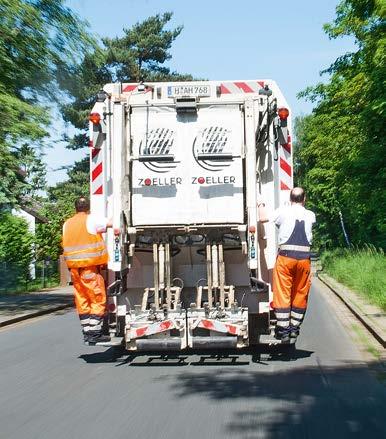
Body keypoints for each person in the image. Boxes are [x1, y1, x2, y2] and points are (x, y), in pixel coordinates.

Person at [258, 187, 316, 342]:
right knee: (300, 293)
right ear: (304, 199)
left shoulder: (283, 211)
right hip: (304, 260)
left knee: (283, 292)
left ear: (290, 199)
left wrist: (260, 203)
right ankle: (294, 328)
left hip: (286, 259)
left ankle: (283, 330)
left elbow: (262, 218)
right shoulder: (311, 215)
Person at [62, 197, 112, 344]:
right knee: (97, 299)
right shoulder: (91, 220)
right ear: (88, 208)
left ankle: (87, 332)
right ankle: (95, 333)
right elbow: (110, 224)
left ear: (75, 208)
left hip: (74, 271)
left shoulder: (67, 224)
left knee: (82, 300)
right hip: (89, 269)